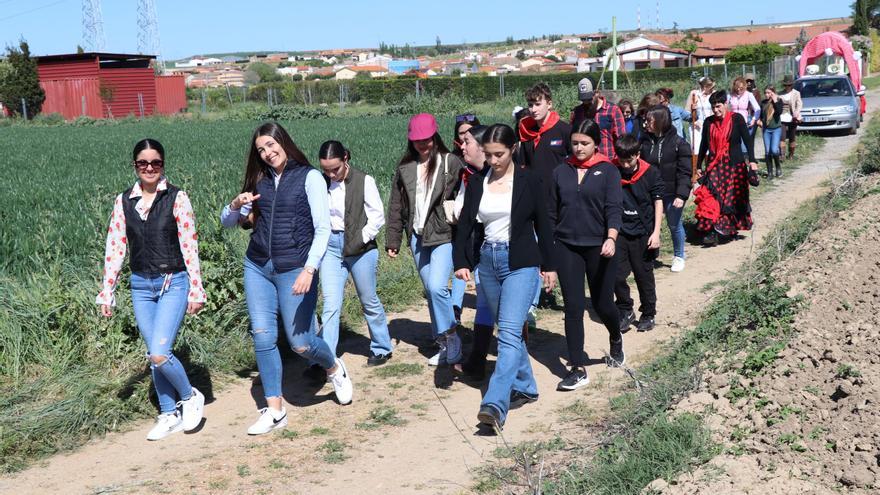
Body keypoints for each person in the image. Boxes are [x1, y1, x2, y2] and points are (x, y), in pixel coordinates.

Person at [220, 122, 353, 435]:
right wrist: (235, 206)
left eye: (270, 145)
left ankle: (333, 367)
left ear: (283, 141)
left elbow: (323, 228)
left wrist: (310, 269)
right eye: (261, 149)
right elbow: (229, 222)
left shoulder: (308, 177)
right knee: (263, 335)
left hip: (295, 268)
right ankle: (275, 409)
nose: (267, 153)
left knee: (301, 343)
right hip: (258, 266)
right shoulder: (259, 179)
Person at [97, 138, 206, 441]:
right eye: (142, 163)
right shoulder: (123, 201)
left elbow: (189, 245)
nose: (149, 168)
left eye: (155, 163)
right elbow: (116, 246)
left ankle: (189, 396)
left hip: (173, 281)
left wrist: (196, 289)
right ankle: (168, 413)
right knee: (154, 353)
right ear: (135, 166)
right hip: (141, 286)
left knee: (159, 353)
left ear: (163, 165)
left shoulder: (177, 198)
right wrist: (108, 290)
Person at [453, 124, 557, 429]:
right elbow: (466, 227)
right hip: (489, 261)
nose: (493, 160)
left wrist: (549, 266)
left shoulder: (530, 180)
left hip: (522, 262)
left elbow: (545, 226)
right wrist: (462, 261)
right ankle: (526, 386)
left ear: (513, 150)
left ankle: (494, 405)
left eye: (499, 154)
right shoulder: (477, 183)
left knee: (509, 333)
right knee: (508, 330)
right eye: (488, 154)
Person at [549, 119, 624, 391]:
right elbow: (551, 212)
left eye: (585, 143)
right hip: (567, 245)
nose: (579, 148)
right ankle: (577, 367)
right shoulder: (561, 171)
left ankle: (615, 338)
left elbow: (614, 208)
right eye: (575, 143)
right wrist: (549, 249)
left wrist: (611, 237)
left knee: (603, 304)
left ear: (596, 143)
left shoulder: (608, 170)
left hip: (600, 246)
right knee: (573, 306)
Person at [386, 113, 464, 367]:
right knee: (431, 292)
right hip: (417, 238)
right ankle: (442, 341)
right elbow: (396, 206)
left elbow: (466, 193)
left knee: (437, 287)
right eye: (417, 140)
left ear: (434, 137)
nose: (422, 144)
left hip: (443, 234)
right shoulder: (405, 169)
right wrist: (393, 240)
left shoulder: (450, 162)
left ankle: (452, 338)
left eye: (426, 139)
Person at [316, 140, 393, 366]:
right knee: (330, 304)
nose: (330, 174)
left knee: (368, 299)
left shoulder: (364, 180)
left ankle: (381, 347)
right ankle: (327, 358)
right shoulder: (321, 183)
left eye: (335, 169)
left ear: (346, 159)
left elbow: (377, 216)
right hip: (331, 247)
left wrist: (360, 239)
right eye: (325, 170)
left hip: (361, 250)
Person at [449, 125, 496, 380]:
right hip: (481, 252)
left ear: (482, 147)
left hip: (508, 253)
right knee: (486, 305)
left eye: (467, 141)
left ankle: (517, 375)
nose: (462, 146)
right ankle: (477, 363)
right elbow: (466, 223)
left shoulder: (502, 177)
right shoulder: (474, 177)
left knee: (505, 312)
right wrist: (462, 260)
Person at [612, 134, 664, 333]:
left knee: (644, 276)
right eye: (622, 160)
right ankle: (625, 309)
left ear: (638, 155)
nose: (625, 165)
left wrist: (656, 232)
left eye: (629, 160)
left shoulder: (650, 173)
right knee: (616, 275)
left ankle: (648, 312)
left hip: (643, 232)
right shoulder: (613, 170)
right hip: (621, 231)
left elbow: (658, 201)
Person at [695, 91, 759, 246]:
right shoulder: (709, 122)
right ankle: (711, 232)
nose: (716, 110)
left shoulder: (737, 119)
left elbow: (748, 141)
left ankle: (727, 229)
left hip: (734, 166)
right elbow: (704, 144)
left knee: (731, 199)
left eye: (718, 106)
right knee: (711, 197)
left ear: (725, 104)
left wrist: (752, 161)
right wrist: (698, 165)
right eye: (713, 107)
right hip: (715, 166)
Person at [640, 105, 693, 273]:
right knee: (648, 224)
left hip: (672, 193)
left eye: (649, 120)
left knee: (674, 224)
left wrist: (681, 195)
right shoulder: (645, 142)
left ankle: (679, 256)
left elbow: (685, 172)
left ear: (660, 121)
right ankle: (650, 255)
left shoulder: (679, 144)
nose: (645, 124)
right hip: (651, 192)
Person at [450, 113, 481, 322]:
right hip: (461, 220)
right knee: (461, 261)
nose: (463, 139)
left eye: (468, 135)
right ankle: (455, 307)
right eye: (461, 134)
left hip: (483, 226)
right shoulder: (453, 159)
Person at [521, 82, 572, 183]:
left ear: (549, 104)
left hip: (557, 190)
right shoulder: (527, 131)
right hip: (533, 190)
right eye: (530, 105)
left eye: (538, 104)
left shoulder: (565, 130)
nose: (533, 110)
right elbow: (523, 164)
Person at [573, 89, 627, 160]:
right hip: (585, 161)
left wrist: (618, 159)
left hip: (608, 159)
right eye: (583, 100)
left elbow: (621, 138)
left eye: (589, 99)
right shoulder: (578, 111)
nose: (586, 102)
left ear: (597, 93)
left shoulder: (612, 110)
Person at [728, 76, 761, 154]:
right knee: (734, 145)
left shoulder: (748, 94)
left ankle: (746, 162)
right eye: (737, 87)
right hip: (732, 123)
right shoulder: (730, 95)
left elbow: (757, 109)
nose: (739, 89)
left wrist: (754, 119)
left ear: (744, 87)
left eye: (741, 88)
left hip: (744, 123)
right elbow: (724, 106)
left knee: (744, 147)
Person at [758, 86, 784, 179]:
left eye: (769, 93)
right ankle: (770, 173)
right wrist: (759, 120)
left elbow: (779, 112)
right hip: (766, 129)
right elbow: (761, 115)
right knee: (767, 151)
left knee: (774, 150)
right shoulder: (763, 103)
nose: (766, 94)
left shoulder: (779, 101)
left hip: (776, 128)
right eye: (765, 92)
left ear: (773, 92)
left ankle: (778, 168)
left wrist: (775, 100)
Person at [688, 77, 716, 159]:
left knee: (709, 148)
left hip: (710, 123)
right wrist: (695, 121)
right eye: (710, 87)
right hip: (697, 125)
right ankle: (696, 170)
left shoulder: (714, 94)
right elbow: (687, 111)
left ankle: (708, 169)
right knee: (696, 148)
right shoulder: (694, 94)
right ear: (705, 86)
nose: (712, 89)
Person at [778, 75, 803, 160]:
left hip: (792, 117)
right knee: (782, 136)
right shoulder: (780, 94)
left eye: (789, 85)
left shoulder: (796, 93)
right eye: (785, 85)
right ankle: (782, 155)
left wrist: (796, 112)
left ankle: (791, 155)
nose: (787, 87)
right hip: (782, 117)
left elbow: (799, 104)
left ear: (792, 85)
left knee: (792, 136)